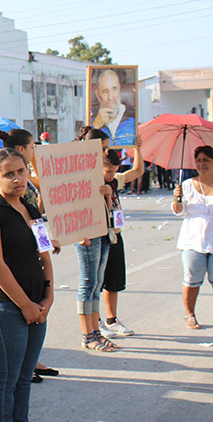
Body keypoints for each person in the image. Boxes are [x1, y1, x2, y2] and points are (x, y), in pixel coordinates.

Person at [0, 148, 53, 422]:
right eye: (9, 174)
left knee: (23, 378)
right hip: (5, 306)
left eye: (22, 171)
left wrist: (48, 295)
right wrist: (26, 306)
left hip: (37, 303)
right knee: (5, 378)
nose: (18, 179)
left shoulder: (29, 207)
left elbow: (44, 252)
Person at [74, 127, 118, 352]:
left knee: (96, 284)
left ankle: (95, 331)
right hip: (86, 234)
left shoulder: (97, 172)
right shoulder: (78, 170)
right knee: (88, 283)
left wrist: (107, 195)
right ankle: (87, 334)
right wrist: (78, 233)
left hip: (101, 229)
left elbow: (107, 209)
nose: (105, 152)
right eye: (103, 147)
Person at [99, 141, 145, 339]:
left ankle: (112, 319)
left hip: (115, 234)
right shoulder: (93, 183)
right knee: (96, 282)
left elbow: (137, 171)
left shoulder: (115, 180)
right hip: (98, 235)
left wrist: (137, 149)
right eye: (108, 171)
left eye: (113, 171)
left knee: (114, 280)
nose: (110, 175)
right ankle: (96, 322)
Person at [172, 145, 213, 329]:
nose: (201, 163)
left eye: (206, 160)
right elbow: (179, 212)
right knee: (191, 280)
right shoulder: (187, 185)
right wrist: (176, 199)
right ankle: (190, 315)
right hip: (192, 241)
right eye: (199, 160)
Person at [91, 69, 135, 146]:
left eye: (114, 89)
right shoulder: (92, 121)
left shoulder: (133, 118)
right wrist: (95, 127)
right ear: (98, 94)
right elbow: (88, 145)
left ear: (119, 90)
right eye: (105, 91)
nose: (110, 97)